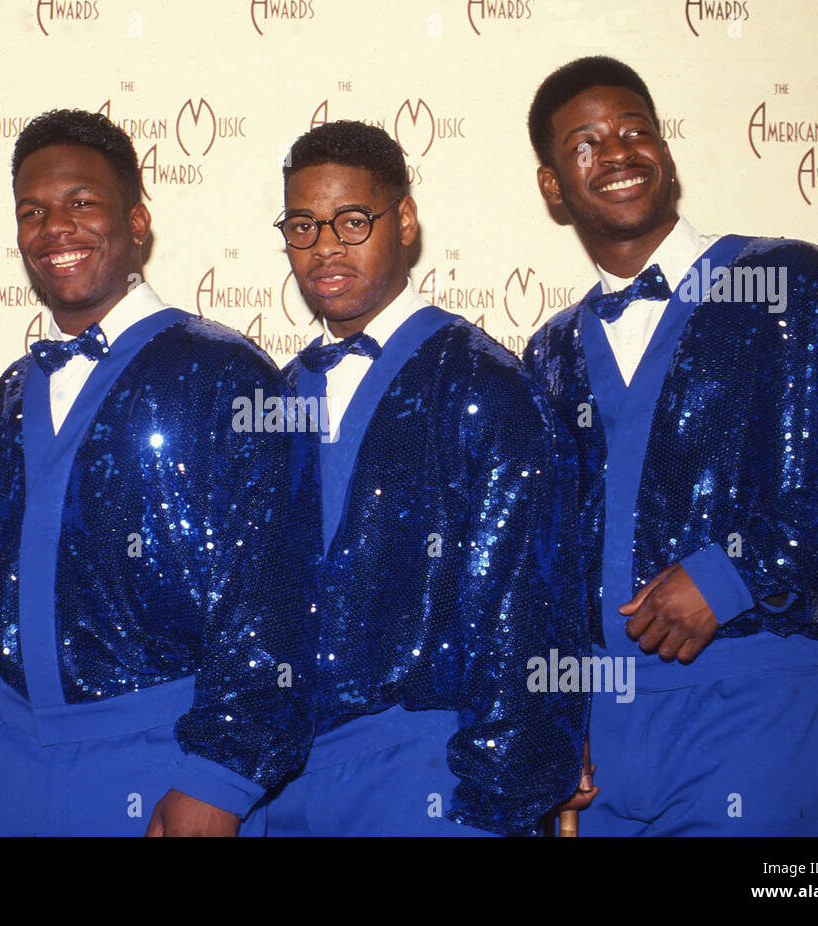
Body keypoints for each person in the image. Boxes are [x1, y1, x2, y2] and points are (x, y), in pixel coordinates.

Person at [523, 56, 818, 835]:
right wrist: (549, 723)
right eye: (587, 143)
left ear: (666, 155)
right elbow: (533, 558)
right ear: (551, 186)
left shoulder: (790, 283)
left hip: (753, 695)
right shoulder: (549, 353)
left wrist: (733, 576)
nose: (619, 153)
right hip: (600, 732)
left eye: (637, 132)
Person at [0, 109, 317, 837]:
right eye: (33, 211)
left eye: (81, 203)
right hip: (3, 772)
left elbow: (273, 594)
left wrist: (221, 777)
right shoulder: (0, 405)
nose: (55, 226)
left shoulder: (228, 375)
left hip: (168, 767)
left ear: (138, 221)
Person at [251, 120, 587, 836]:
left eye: (351, 220)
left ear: (403, 220)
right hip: (278, 778)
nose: (325, 246)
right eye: (302, 226)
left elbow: (521, 603)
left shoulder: (485, 384)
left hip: (427, 769)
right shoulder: (272, 395)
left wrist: (502, 790)